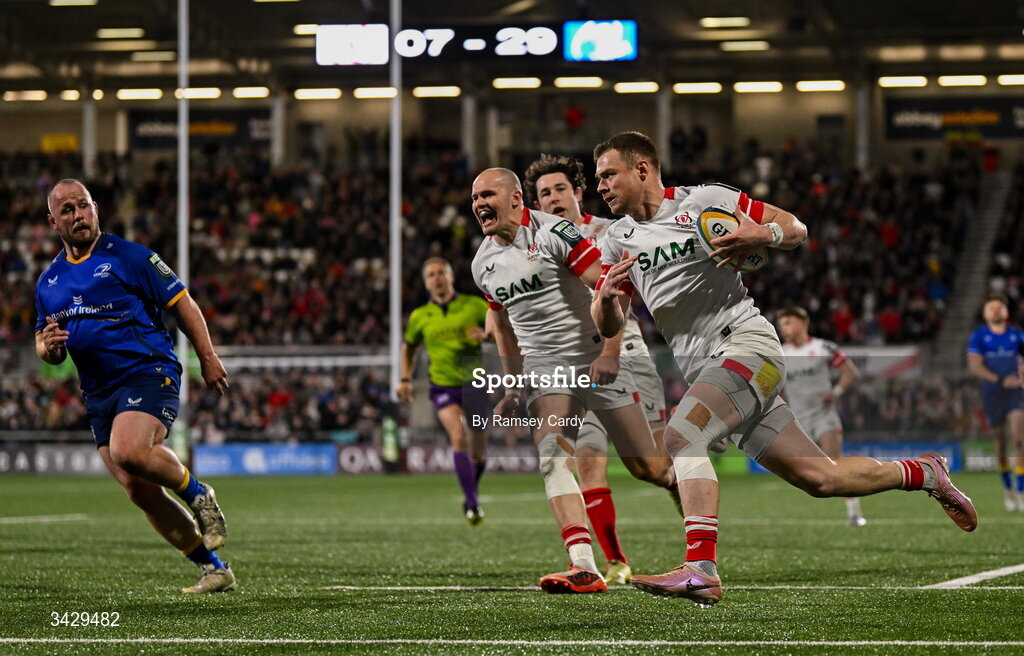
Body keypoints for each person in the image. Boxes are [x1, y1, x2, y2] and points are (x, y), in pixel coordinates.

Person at [590, 132, 977, 606]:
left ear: (643, 169)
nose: (601, 186)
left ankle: (701, 568)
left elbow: (795, 229)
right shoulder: (615, 240)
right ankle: (925, 472)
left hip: (748, 346)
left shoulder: (706, 201)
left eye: (609, 174)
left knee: (680, 435)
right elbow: (611, 323)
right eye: (598, 179)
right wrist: (606, 300)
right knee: (823, 480)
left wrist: (764, 232)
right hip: (710, 369)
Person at [470, 168, 676, 594]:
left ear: (514, 199)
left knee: (649, 468)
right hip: (548, 370)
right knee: (553, 453)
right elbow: (504, 328)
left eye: (487, 194)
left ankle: (678, 482)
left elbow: (609, 288)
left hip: (594, 356)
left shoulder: (554, 233)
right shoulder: (482, 263)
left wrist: (609, 353)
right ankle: (583, 564)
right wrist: (512, 387)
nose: (478, 204)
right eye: (474, 198)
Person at [34, 179, 235, 594]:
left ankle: (200, 495)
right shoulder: (48, 283)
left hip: (148, 372)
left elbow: (183, 303)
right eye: (67, 210)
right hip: (99, 393)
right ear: (52, 221)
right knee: (138, 490)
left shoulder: (130, 256)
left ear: (96, 208)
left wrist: (208, 357)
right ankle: (213, 568)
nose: (78, 216)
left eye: (83, 206)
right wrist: (48, 349)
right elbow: (48, 347)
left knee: (129, 450)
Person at [523, 154, 670, 585]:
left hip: (628, 355)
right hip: (574, 368)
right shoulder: (534, 244)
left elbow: (624, 294)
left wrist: (611, 350)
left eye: (559, 189)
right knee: (584, 461)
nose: (552, 198)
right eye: (544, 193)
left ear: (577, 192)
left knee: (654, 467)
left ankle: (694, 524)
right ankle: (610, 562)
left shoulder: (607, 232)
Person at [397, 257, 492, 524]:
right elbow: (409, 348)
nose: (437, 277)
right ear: (426, 283)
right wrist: (405, 379)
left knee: (478, 452)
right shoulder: (420, 317)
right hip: (442, 385)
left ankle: (471, 492)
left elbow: (500, 330)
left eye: (441, 272)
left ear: (450, 276)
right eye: (431, 275)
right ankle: (472, 504)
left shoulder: (474, 306)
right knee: (458, 435)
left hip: (475, 383)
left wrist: (486, 336)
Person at [778, 307, 865, 526]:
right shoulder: (780, 353)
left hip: (823, 416)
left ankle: (854, 513)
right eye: (782, 324)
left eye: (788, 322)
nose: (783, 328)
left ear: (803, 323)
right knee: (802, 471)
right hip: (797, 419)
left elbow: (850, 371)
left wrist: (835, 393)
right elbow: (775, 384)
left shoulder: (823, 347)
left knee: (836, 464)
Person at [967, 293, 1024, 511]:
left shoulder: (1016, 335)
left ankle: (1021, 492)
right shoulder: (979, 336)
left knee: (1018, 440)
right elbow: (975, 367)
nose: (996, 311)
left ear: (1006, 312)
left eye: (999, 307)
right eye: (991, 308)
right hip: (993, 394)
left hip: (1015, 393)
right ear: (985, 313)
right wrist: (1001, 380)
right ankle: (1007, 489)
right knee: (1000, 444)